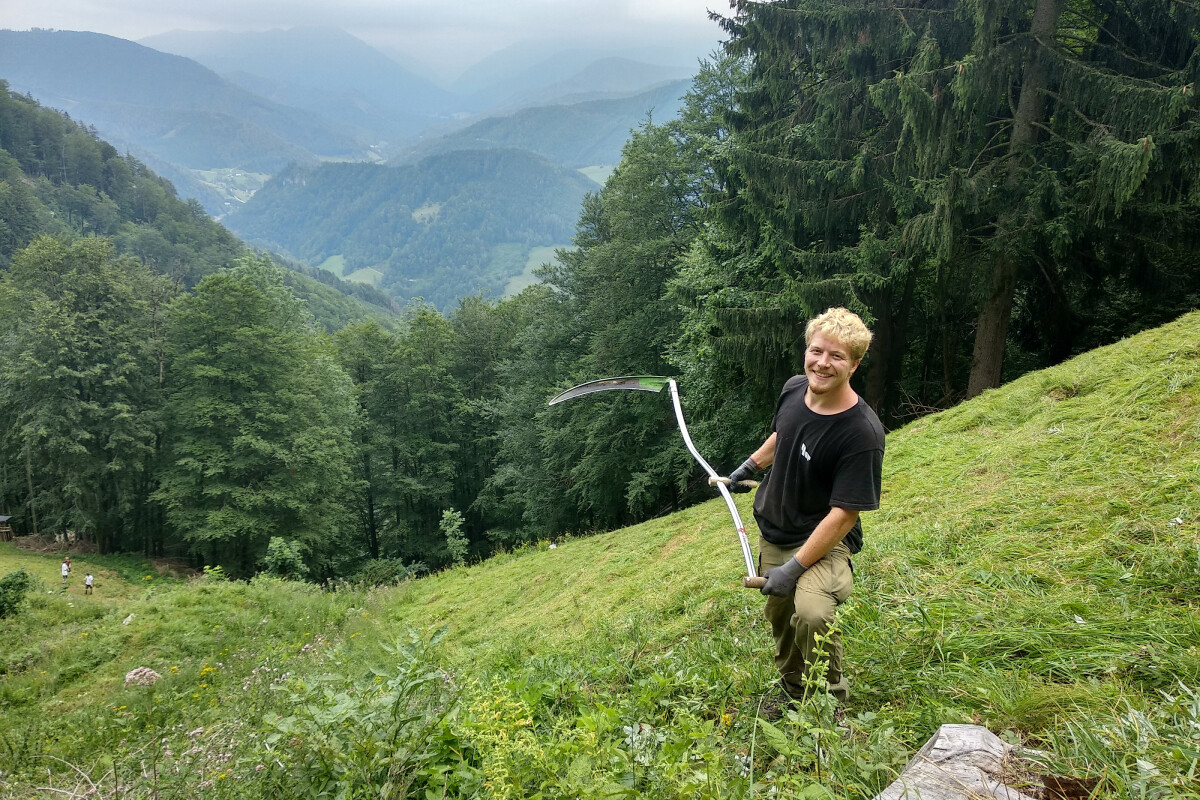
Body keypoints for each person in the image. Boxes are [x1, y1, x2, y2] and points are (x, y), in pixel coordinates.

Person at [717, 307, 885, 708]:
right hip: (775, 528)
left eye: (837, 356)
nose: (822, 363)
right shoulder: (794, 388)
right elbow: (783, 433)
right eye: (816, 351)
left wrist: (794, 568)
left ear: (855, 364)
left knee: (810, 613)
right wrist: (748, 466)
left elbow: (844, 514)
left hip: (824, 539)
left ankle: (831, 705)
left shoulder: (861, 432)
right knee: (780, 617)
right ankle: (794, 691)